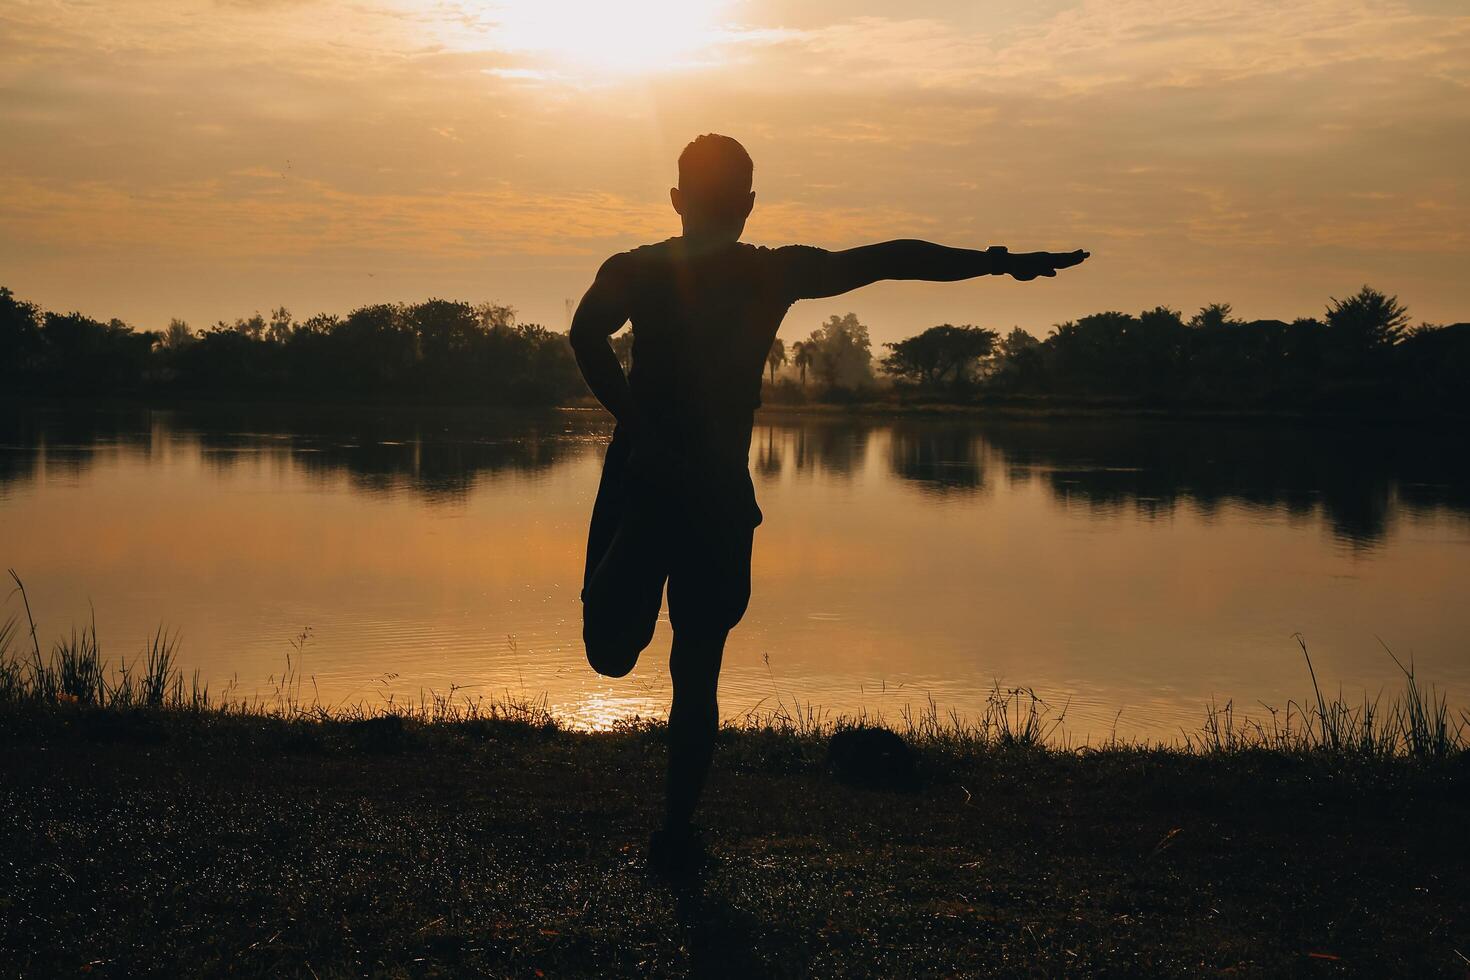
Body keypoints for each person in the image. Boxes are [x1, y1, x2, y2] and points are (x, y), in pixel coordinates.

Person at [569, 133, 1088, 879]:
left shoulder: (638, 270)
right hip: (700, 482)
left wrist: (637, 424)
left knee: (625, 656)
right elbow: (890, 257)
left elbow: (584, 333)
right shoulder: (768, 273)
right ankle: (676, 830)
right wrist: (996, 262)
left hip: (658, 476)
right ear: (749, 205)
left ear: (678, 199)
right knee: (689, 667)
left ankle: (676, 837)